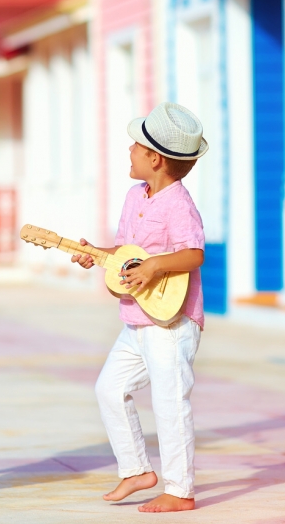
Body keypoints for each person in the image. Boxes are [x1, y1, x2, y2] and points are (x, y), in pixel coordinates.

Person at [71, 101, 208, 513]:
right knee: (109, 389)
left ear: (155, 158)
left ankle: (179, 490)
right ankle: (135, 470)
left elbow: (193, 254)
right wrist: (95, 253)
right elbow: (127, 252)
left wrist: (155, 266)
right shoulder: (136, 196)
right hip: (136, 320)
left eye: (136, 145)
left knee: (170, 402)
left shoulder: (178, 203)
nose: (129, 150)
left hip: (171, 323)